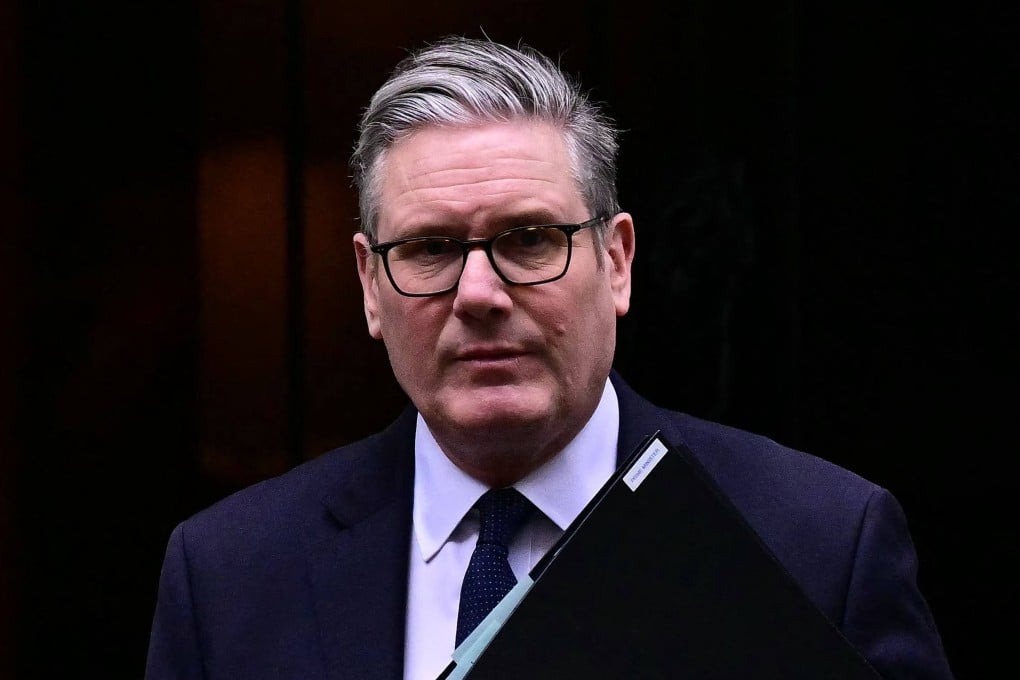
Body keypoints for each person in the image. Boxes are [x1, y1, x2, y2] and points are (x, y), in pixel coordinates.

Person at [145, 35, 954, 680]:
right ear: (368, 284)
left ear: (617, 261)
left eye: (528, 239)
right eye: (430, 248)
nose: (479, 293)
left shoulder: (818, 542)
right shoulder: (229, 576)